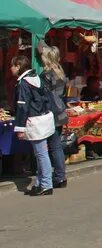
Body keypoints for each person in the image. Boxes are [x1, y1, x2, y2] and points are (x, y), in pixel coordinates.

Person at [12, 55, 55, 196]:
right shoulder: (37, 78)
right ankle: (40, 183)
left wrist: (20, 127)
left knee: (41, 154)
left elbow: (22, 106)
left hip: (35, 121)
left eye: (12, 66)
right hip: (44, 118)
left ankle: (46, 184)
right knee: (41, 153)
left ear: (18, 66)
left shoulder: (24, 83)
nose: (11, 69)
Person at [38, 45, 68, 189]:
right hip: (61, 110)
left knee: (53, 146)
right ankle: (61, 176)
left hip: (51, 112)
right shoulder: (60, 72)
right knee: (57, 146)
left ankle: (58, 176)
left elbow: (43, 95)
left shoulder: (46, 74)